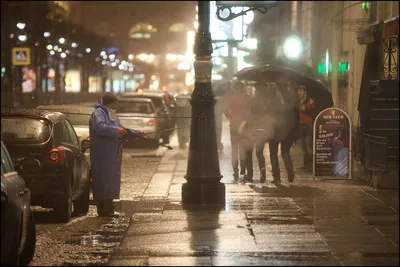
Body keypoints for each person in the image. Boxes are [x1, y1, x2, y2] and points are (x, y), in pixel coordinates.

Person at [89, 92, 146, 217]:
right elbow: (100, 128)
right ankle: (104, 209)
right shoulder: (99, 113)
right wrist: (116, 130)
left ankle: (108, 208)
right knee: (103, 180)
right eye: (115, 102)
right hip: (102, 153)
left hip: (112, 153)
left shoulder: (112, 115)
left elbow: (122, 129)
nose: (117, 105)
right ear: (110, 103)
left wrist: (137, 133)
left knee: (110, 180)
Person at [224, 82, 251, 179]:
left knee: (234, 149)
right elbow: (250, 110)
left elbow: (225, 110)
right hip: (244, 125)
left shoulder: (230, 97)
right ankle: (243, 168)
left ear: (234, 88)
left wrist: (231, 117)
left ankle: (235, 170)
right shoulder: (247, 97)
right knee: (243, 148)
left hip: (234, 125)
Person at [297, 84, 316, 171]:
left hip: (308, 125)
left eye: (301, 90)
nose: (299, 92)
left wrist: (306, 109)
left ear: (305, 91)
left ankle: (311, 165)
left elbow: (313, 112)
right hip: (301, 125)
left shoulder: (310, 101)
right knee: (303, 146)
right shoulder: (297, 101)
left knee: (308, 145)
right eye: (298, 90)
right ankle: (305, 165)